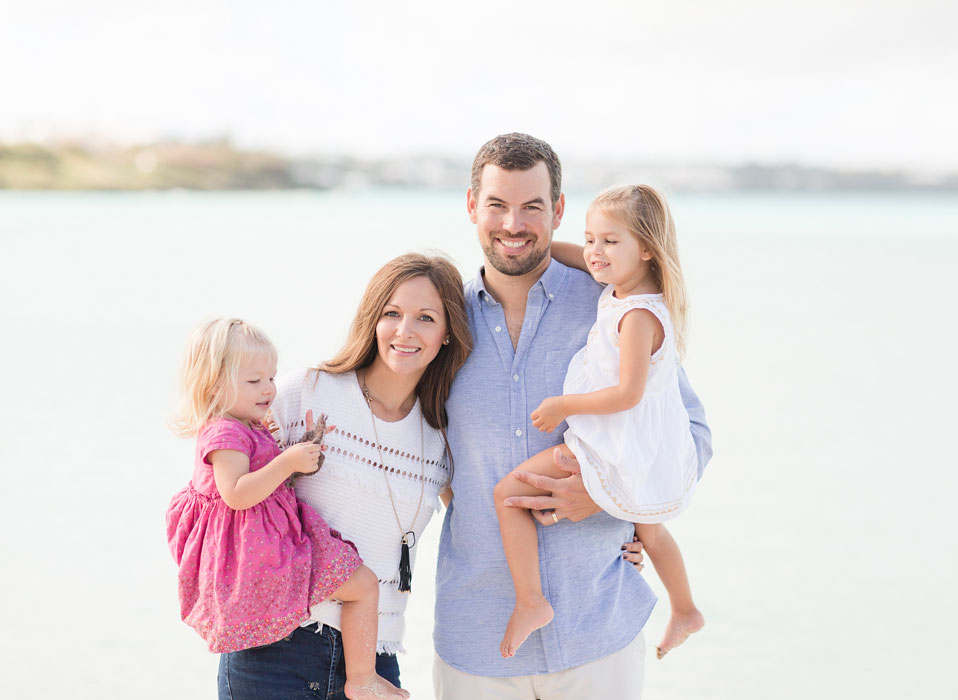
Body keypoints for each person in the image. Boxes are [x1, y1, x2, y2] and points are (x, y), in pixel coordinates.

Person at [433, 133, 713, 699]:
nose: (513, 223)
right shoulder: (440, 325)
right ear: (471, 206)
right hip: (476, 638)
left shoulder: (613, 305)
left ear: (557, 211)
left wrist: (610, 494)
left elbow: (691, 436)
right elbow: (414, 450)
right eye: (497, 205)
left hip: (598, 631)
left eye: (532, 206)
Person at [213, 254, 472, 700]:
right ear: (373, 318)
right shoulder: (305, 393)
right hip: (274, 648)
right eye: (392, 313)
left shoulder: (444, 436)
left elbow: (481, 527)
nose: (404, 331)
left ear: (448, 334)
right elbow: (224, 483)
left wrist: (621, 528)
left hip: (373, 659)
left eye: (425, 318)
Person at [494, 183, 706, 660]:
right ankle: (686, 608)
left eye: (610, 241)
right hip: (634, 446)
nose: (594, 252)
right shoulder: (629, 293)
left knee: (507, 494)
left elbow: (628, 393)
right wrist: (532, 244)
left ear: (647, 249)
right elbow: (564, 254)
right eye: (591, 238)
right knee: (650, 530)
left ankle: (531, 601)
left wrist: (563, 405)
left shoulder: (636, 315)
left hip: (608, 443)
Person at [166, 318, 408, 700]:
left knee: (362, 586)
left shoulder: (248, 424)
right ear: (214, 384)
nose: (269, 390)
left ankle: (360, 676)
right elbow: (237, 494)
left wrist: (305, 447)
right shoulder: (223, 433)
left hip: (273, 540)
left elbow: (269, 481)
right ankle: (360, 678)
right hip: (264, 552)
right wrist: (288, 462)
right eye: (253, 381)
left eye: (271, 378)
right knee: (362, 585)